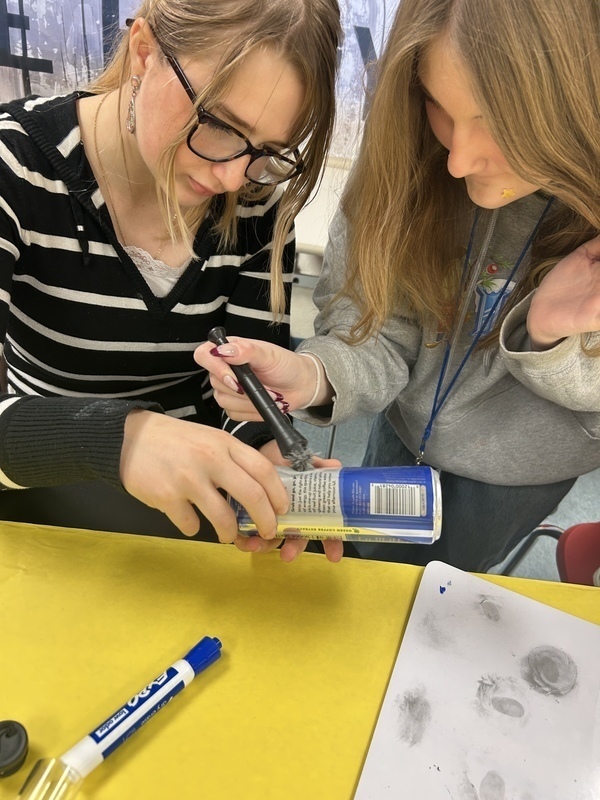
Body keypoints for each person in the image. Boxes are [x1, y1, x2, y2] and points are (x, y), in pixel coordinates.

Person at [195, 0, 600, 571]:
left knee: (450, 588)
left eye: (500, 123)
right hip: (405, 432)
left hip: (520, 473)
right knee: (371, 571)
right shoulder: (407, 153)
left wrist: (550, 343)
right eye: (440, 105)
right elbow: (378, 326)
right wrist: (317, 375)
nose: (458, 161)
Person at [0, 0, 343, 558]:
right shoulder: (15, 166)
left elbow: (237, 397)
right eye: (218, 124)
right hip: (41, 509)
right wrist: (119, 438)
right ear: (144, 52)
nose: (233, 174)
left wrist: (262, 453)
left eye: (269, 151)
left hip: (193, 521)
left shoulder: (258, 206)